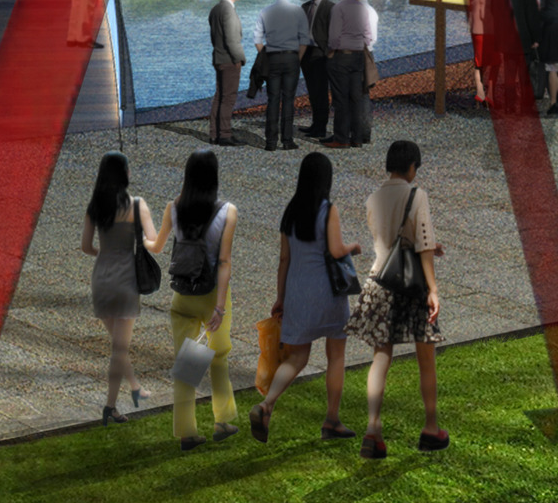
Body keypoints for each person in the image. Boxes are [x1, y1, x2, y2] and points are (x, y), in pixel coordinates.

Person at [249, 149, 359, 441]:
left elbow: (283, 260)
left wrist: (280, 297)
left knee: (297, 358)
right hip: (328, 295)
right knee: (336, 357)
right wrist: (353, 248)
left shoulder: (291, 212)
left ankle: (266, 404)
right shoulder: (328, 210)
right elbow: (336, 251)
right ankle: (332, 421)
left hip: (297, 293)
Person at [352, 139, 446, 459]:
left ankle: (372, 429)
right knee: (426, 356)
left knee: (381, 356)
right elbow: (422, 246)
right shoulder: (417, 195)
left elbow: (387, 239)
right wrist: (433, 290)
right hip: (412, 284)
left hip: (380, 280)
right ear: (411, 167)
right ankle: (431, 427)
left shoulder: (373, 197)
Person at [163, 150, 239, 448]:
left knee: (187, 363)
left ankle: (186, 431)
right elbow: (224, 262)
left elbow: (157, 245)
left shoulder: (174, 208)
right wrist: (219, 307)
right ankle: (223, 420)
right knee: (218, 357)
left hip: (182, 295)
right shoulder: (227, 212)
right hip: (211, 296)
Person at [81, 150, 150, 422]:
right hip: (126, 279)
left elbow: (87, 247)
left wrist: (105, 253)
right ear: (125, 175)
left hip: (101, 278)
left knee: (117, 343)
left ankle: (134, 386)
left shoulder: (94, 207)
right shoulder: (136, 205)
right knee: (119, 349)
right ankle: (110, 407)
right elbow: (153, 241)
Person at [256, 0, 311, 152]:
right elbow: (304, 39)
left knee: (272, 100)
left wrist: (264, 56)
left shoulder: (265, 12)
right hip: (291, 57)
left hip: (272, 57)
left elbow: (257, 40)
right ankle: (287, 140)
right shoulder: (297, 11)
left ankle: (270, 142)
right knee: (288, 99)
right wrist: (298, 58)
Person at [505, 0, 558, 117]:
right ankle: (524, 107)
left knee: (509, 72)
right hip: (523, 37)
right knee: (524, 73)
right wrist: (536, 38)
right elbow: (531, 14)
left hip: (506, 36)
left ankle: (509, 106)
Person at [329, 0, 379, 147]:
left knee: (342, 98)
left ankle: (342, 138)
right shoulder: (364, 9)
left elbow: (334, 36)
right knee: (357, 97)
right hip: (359, 55)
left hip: (343, 55)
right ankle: (358, 138)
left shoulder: (339, 7)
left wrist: (332, 50)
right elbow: (369, 35)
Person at [208, 0, 250, 146]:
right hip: (229, 60)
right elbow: (232, 39)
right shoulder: (228, 11)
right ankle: (224, 135)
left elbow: (214, 37)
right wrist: (240, 58)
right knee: (228, 99)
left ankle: (214, 134)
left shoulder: (215, 9)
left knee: (219, 96)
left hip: (218, 58)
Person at [299, 0, 335, 140]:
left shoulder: (330, 8)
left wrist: (329, 52)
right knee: (312, 92)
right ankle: (315, 124)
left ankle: (321, 127)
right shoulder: (304, 7)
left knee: (321, 92)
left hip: (321, 54)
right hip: (306, 54)